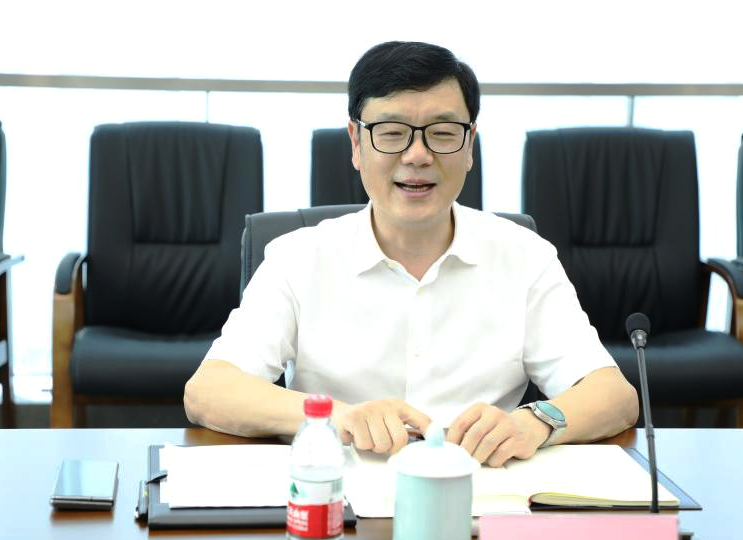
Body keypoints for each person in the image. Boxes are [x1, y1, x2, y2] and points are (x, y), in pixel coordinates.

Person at [184, 41, 638, 467]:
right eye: (392, 133)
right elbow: (208, 391)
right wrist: (338, 415)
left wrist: (534, 423)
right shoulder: (298, 257)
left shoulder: (524, 257)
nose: (417, 155)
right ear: (356, 143)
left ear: (470, 145)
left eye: (442, 133)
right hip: (336, 496)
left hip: (479, 495)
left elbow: (615, 396)